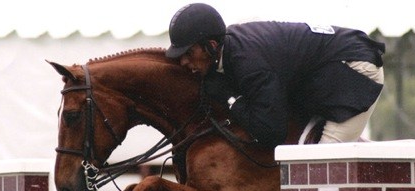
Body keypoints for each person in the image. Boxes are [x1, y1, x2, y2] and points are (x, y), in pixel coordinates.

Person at [165, 3, 385, 147]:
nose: (184, 61)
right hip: (326, 69)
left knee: (321, 163)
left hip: (353, 69)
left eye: (189, 52)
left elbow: (271, 133)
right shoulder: (232, 49)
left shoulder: (249, 62)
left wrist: (230, 98)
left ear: (211, 46)